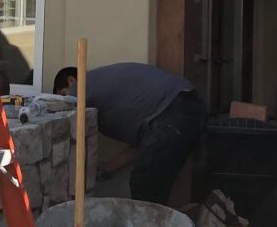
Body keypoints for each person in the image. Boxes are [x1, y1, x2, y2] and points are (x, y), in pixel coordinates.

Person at [52, 61, 206, 204]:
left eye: (63, 93)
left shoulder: (83, 84)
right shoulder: (124, 104)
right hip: (187, 110)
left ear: (71, 80)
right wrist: (109, 167)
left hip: (176, 109)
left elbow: (65, 108)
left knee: (145, 184)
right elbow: (143, 146)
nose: (66, 98)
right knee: (153, 179)